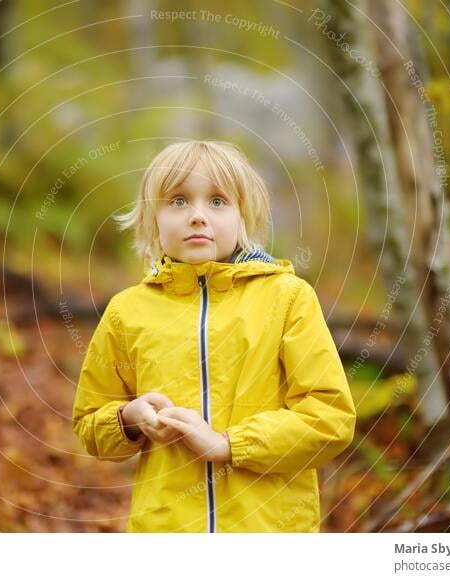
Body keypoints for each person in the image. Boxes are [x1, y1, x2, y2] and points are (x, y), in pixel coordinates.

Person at [71, 140, 356, 532]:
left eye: (218, 201)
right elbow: (89, 424)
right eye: (178, 201)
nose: (198, 216)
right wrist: (128, 419)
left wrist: (229, 444)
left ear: (244, 216)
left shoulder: (288, 299)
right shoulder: (126, 312)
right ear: (152, 218)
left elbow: (330, 416)